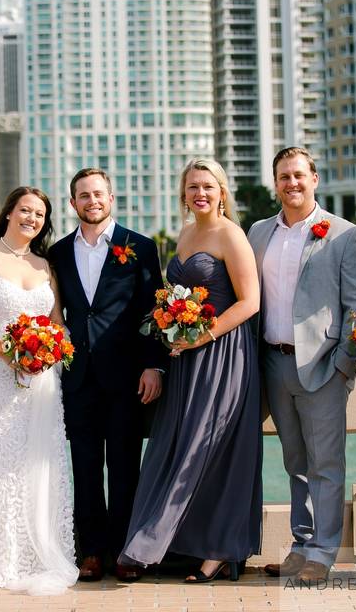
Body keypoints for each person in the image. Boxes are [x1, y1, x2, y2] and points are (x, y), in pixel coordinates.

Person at [119, 158, 262, 583]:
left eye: (208, 186)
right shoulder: (184, 234)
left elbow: (249, 301)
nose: (200, 193)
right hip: (184, 359)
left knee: (211, 448)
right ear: (183, 193)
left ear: (222, 191)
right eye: (192, 186)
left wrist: (202, 336)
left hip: (222, 354)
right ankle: (171, 545)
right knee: (175, 446)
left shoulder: (231, 235)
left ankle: (216, 550)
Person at [247, 147, 356, 581]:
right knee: (293, 461)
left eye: (298, 175)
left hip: (323, 368)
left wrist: (344, 365)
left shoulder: (344, 234)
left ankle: (323, 553)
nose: (291, 183)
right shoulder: (258, 232)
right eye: (283, 177)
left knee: (326, 463)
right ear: (275, 183)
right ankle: (301, 545)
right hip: (273, 364)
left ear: (314, 179)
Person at [0, 187, 78, 595]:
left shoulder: (46, 266)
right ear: (8, 213)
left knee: (37, 460)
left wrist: (49, 347)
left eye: (39, 214)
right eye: (25, 210)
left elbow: (57, 319)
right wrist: (4, 350)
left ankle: (38, 550)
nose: (32, 218)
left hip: (42, 377)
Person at [47, 168, 166, 582]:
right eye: (83, 195)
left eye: (98, 194)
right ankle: (92, 551)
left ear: (111, 198)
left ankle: (126, 551)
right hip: (76, 376)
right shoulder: (58, 253)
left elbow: (155, 312)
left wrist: (154, 365)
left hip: (127, 377)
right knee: (84, 466)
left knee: (124, 467)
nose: (91, 201)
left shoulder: (141, 247)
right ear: (72, 203)